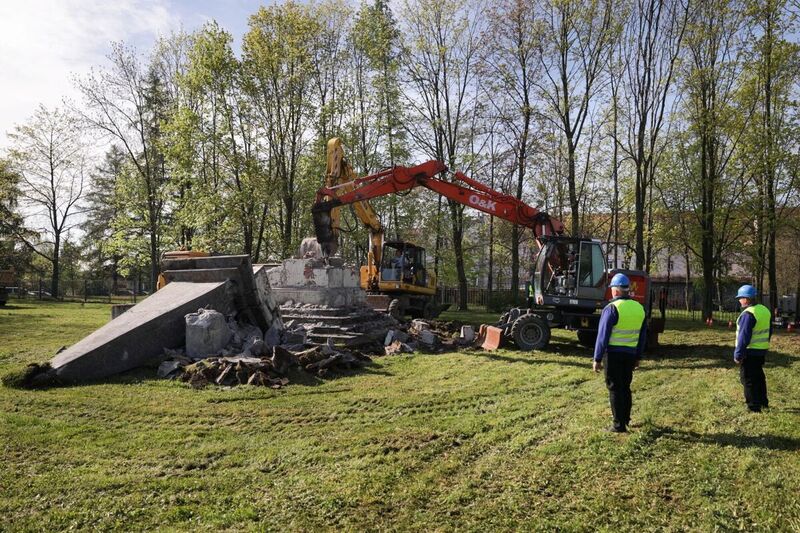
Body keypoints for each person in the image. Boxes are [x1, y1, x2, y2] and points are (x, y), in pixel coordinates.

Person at [593, 273, 647, 433]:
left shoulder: (611, 309)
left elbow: (602, 336)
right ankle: (626, 419)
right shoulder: (640, 308)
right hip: (630, 354)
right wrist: (638, 356)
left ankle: (618, 425)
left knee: (615, 388)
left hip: (613, 354)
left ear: (615, 290)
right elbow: (642, 336)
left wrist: (597, 358)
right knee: (625, 387)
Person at [733, 284, 771, 412]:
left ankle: (753, 406)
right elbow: (769, 330)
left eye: (741, 297)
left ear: (747, 299)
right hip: (761, 350)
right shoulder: (764, 310)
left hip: (749, 351)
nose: (739, 300)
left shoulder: (748, 314)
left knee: (748, 379)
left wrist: (738, 354)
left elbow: (744, 337)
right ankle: (763, 402)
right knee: (759, 377)